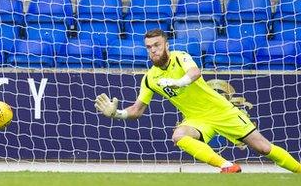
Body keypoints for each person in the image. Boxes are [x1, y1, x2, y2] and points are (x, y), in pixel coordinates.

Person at [95, 28, 301, 173]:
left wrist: (178, 83)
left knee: (263, 148)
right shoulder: (150, 78)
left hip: (222, 111)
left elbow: (194, 73)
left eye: (157, 45)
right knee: (179, 135)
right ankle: (226, 166)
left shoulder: (180, 57)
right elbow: (137, 110)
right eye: (149, 47)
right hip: (197, 119)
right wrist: (117, 113)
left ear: (166, 45)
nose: (153, 50)